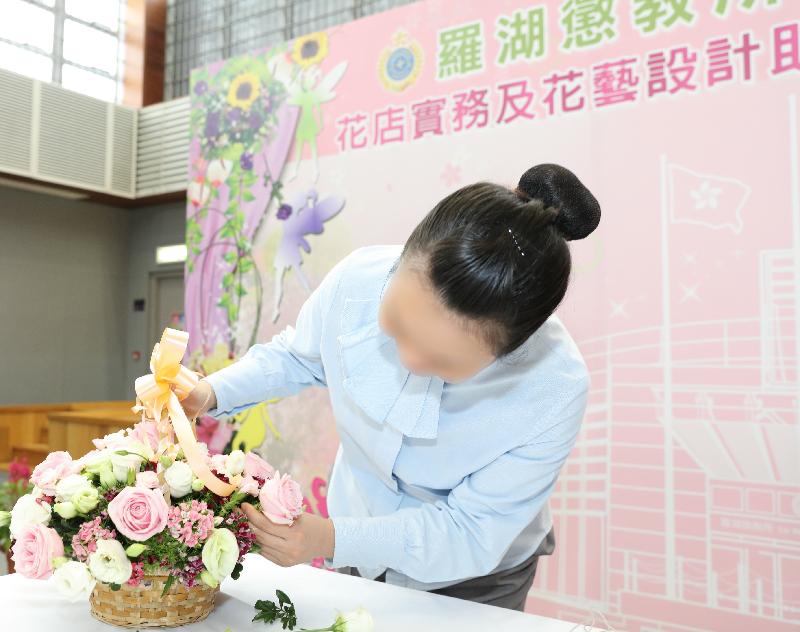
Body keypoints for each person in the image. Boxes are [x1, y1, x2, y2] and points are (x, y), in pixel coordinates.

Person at [181, 163, 601, 611]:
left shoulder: (553, 386)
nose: (409, 361)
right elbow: (298, 356)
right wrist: (209, 393)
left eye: (443, 363)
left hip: (477, 576)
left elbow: (471, 531)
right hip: (354, 529)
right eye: (396, 326)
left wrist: (331, 538)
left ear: (511, 348)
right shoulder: (358, 279)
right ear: (404, 258)